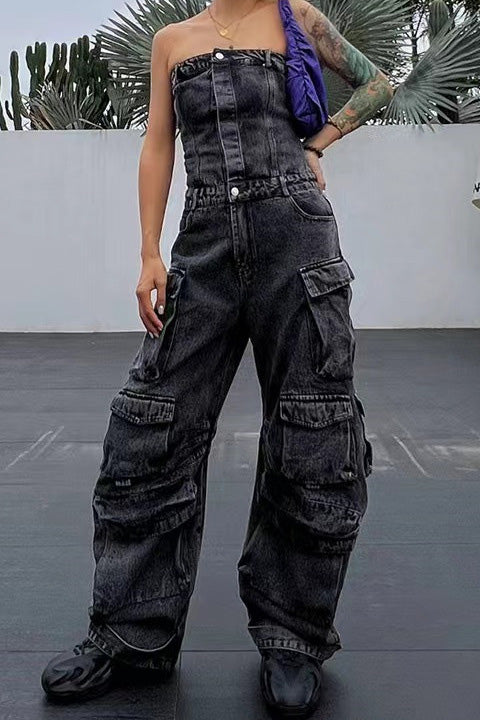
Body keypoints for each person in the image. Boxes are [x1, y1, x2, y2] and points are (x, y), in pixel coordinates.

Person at [41, 0, 391, 715]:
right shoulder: (173, 40)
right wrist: (148, 253)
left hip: (297, 237)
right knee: (151, 425)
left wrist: (317, 145)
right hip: (202, 243)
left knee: (312, 430)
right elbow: (157, 144)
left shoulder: (297, 16)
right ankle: (130, 635)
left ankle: (292, 638)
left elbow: (378, 83)